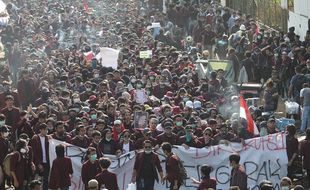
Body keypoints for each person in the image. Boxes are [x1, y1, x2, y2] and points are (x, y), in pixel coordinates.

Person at [29, 123, 50, 190]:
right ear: (41, 130)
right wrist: (38, 164)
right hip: (37, 163)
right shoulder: (35, 138)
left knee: (46, 180)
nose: (47, 131)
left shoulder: (48, 138)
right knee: (35, 180)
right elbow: (34, 153)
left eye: (47, 129)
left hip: (46, 163)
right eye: (45, 130)